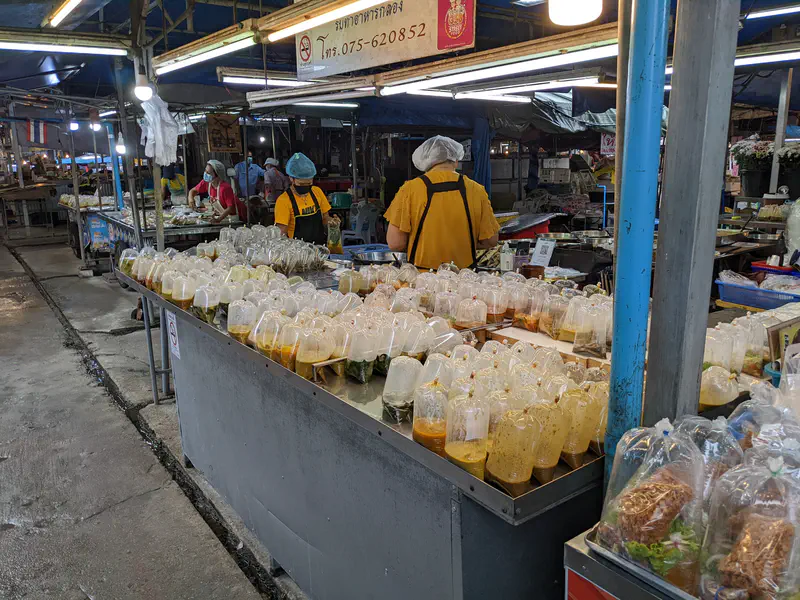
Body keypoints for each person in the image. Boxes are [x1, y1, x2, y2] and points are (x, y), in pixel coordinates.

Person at [385, 135, 499, 270]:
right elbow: (491, 240)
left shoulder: (410, 190)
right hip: (464, 280)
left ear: (425, 161)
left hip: (423, 279)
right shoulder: (476, 190)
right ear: (456, 160)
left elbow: (395, 243)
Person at [274, 152, 335, 244]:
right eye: (301, 184)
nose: (306, 186)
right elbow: (282, 232)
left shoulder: (317, 192)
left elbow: (325, 218)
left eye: (309, 183)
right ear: (291, 178)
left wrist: (332, 223)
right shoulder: (283, 200)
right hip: (297, 253)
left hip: (320, 250)